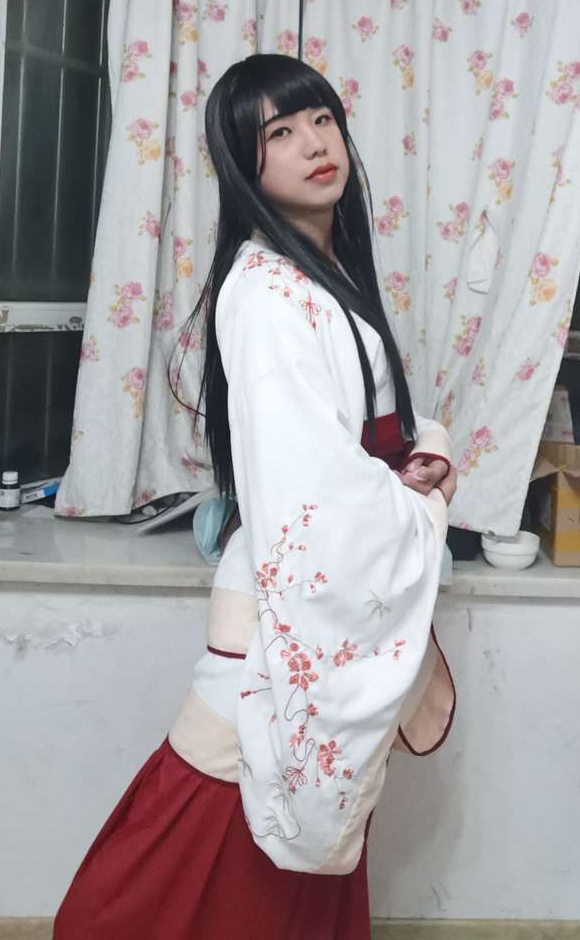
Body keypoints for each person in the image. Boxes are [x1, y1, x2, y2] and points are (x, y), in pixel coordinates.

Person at [54, 55, 457, 939]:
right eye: (280, 131)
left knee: (284, 847)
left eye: (320, 119)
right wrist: (423, 505)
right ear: (246, 162)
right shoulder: (268, 290)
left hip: (301, 589)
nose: (314, 142)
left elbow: (367, 424)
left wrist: (424, 449)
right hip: (287, 596)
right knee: (195, 837)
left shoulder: (318, 273)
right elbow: (319, 489)